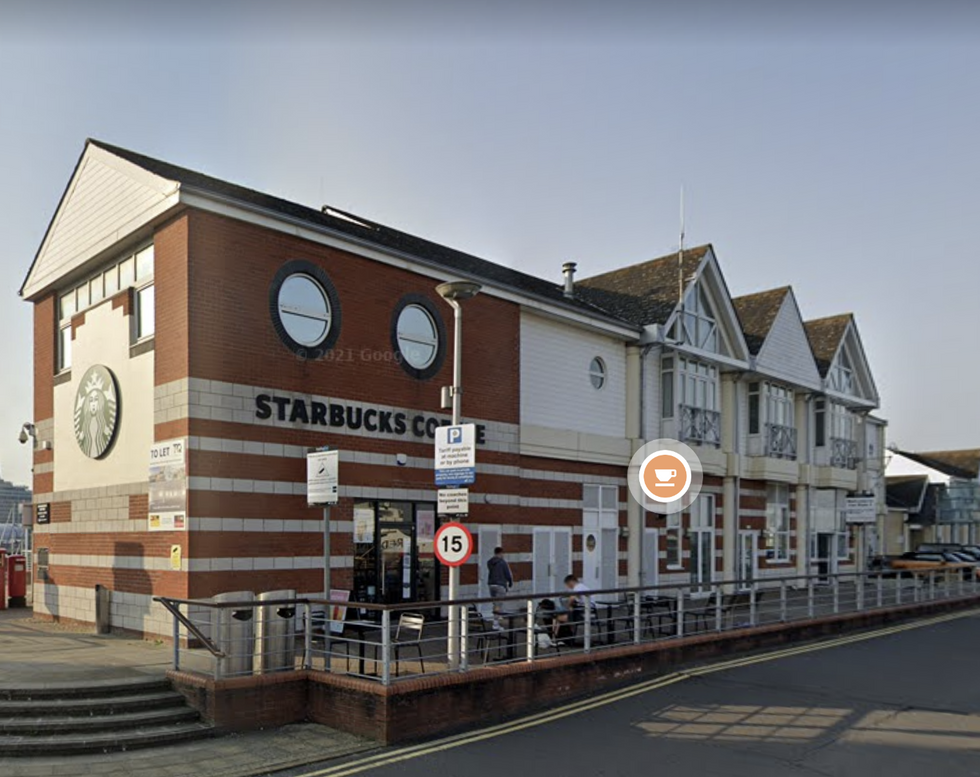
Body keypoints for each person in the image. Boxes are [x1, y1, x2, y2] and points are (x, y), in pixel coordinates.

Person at [553, 574, 592, 642]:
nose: (568, 587)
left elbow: (572, 598)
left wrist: (569, 606)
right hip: (588, 611)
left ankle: (554, 638)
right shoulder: (582, 586)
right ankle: (570, 637)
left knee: (557, 618)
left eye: (567, 585)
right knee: (568, 617)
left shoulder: (577, 588)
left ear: (570, 582)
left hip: (582, 613)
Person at [486, 546, 514, 630]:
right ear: (501, 553)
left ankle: (496, 618)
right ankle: (495, 624)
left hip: (491, 584)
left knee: (495, 603)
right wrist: (510, 582)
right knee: (498, 604)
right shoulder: (503, 562)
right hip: (500, 584)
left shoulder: (490, 562)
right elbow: (507, 573)